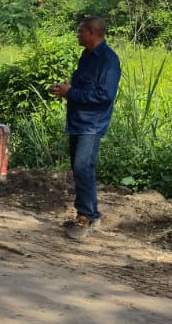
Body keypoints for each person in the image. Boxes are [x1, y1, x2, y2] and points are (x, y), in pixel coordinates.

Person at [48, 17, 121, 239]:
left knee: (82, 167)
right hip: (77, 121)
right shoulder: (86, 56)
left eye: (80, 31)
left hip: (92, 123)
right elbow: (83, 90)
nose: (78, 35)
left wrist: (71, 92)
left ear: (92, 32)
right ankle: (91, 215)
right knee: (80, 168)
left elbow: (104, 95)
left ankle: (85, 217)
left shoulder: (108, 60)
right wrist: (66, 91)